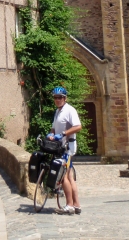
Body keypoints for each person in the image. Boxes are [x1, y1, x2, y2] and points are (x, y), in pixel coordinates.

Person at [47, 86, 82, 215]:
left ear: (65, 98)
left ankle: (69, 205)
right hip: (60, 147)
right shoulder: (58, 111)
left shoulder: (69, 110)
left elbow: (78, 126)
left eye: (60, 97)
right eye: (55, 98)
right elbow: (53, 129)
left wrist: (63, 134)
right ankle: (76, 205)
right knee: (70, 177)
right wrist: (51, 135)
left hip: (68, 148)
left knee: (63, 176)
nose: (57, 100)